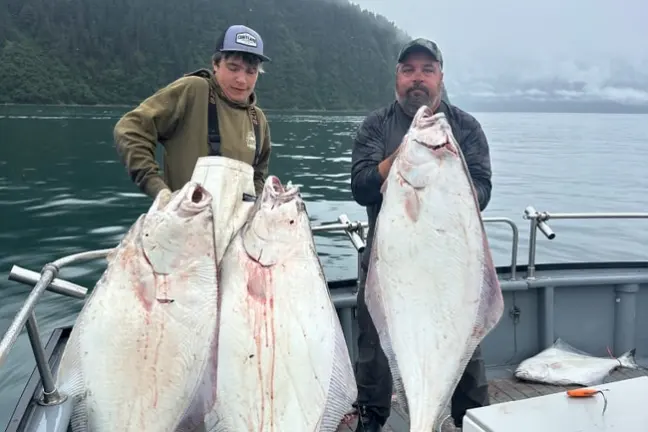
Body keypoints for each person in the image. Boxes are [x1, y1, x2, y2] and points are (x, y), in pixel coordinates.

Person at [349, 38, 493, 431]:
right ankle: (373, 419)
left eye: (427, 71)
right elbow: (361, 186)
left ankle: (465, 419)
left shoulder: (465, 127)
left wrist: (450, 178)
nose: (418, 79)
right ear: (397, 77)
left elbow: (483, 189)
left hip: (452, 263)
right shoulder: (376, 126)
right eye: (409, 70)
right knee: (375, 354)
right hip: (391, 263)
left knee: (466, 354)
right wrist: (403, 157)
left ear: (440, 78)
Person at [113, 24, 272, 200]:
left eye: (251, 71)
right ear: (216, 64)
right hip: (184, 221)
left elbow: (258, 176)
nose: (242, 79)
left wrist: (259, 205)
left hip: (237, 226)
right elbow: (130, 129)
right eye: (233, 68)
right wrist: (158, 189)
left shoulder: (258, 119)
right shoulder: (194, 90)